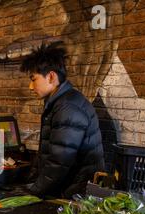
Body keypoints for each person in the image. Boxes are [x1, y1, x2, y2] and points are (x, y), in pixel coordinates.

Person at [20, 41, 105, 198]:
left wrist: (33, 192)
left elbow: (59, 162)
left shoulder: (68, 107)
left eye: (33, 79)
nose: (30, 87)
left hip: (76, 194)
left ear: (51, 76)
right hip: (66, 189)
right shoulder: (58, 102)